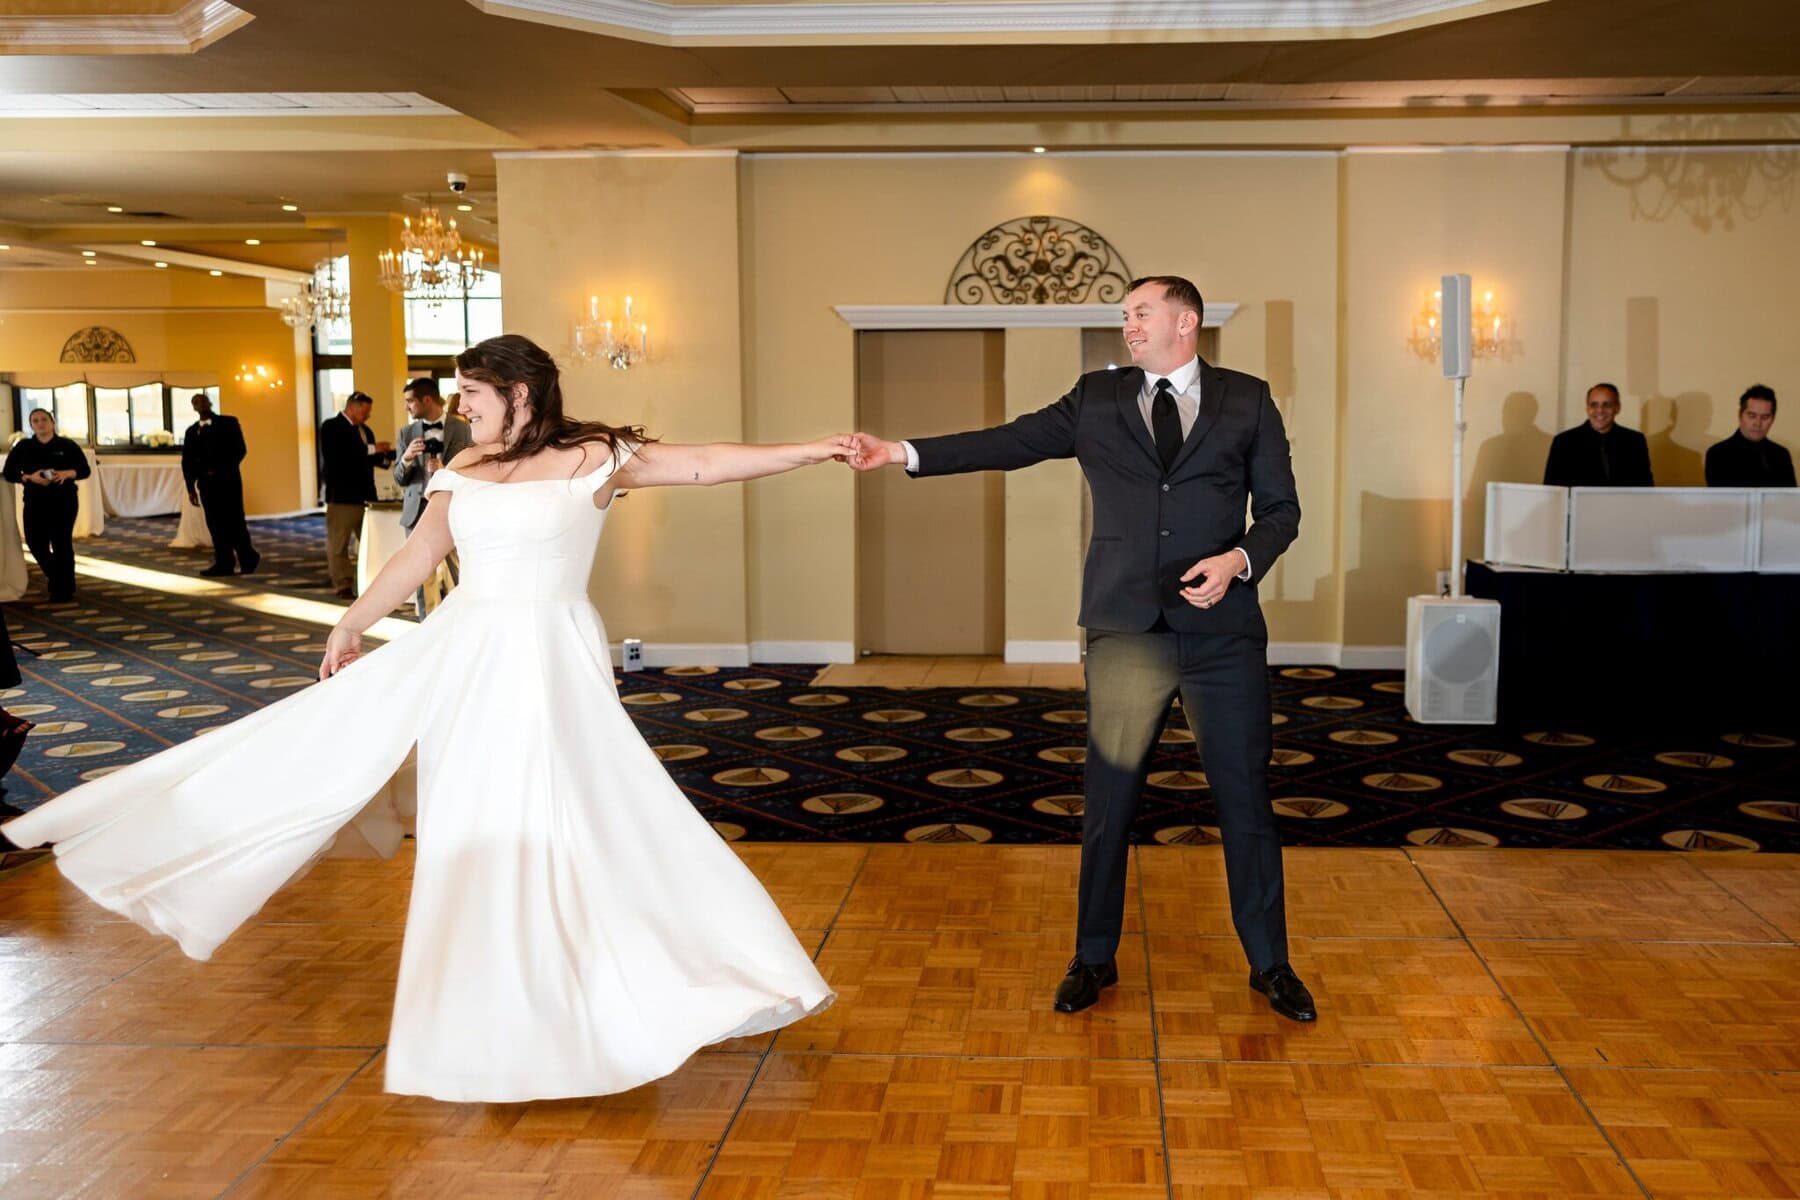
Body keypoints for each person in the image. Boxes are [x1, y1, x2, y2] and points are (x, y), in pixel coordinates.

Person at [3, 333, 841, 1103]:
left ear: (518, 390)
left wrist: (815, 448)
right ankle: (494, 1020)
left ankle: (638, 986)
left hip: (551, 654)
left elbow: (701, 465)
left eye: (472, 391)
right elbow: (418, 554)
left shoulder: (596, 455)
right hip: (465, 650)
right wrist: (351, 621)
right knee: (467, 821)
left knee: (590, 816)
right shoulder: (463, 463)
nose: (460, 404)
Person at [848, 275, 1313, 1023]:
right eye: (1125, 316)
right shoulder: (1096, 400)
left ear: (1184, 322)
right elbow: (1008, 441)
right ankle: (1093, 957)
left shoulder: (1248, 399)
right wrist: (900, 452)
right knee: (1109, 803)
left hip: (1222, 639)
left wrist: (1239, 561)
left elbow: (1282, 510)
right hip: (1126, 632)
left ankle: (1271, 963)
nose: (1127, 326)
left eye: (1140, 313)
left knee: (1246, 802)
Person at [394, 378, 473, 615]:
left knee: (463, 571)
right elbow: (399, 479)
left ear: (426, 399)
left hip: (454, 510)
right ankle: (426, 626)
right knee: (421, 575)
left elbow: (475, 470)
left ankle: (465, 621)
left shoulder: (463, 429)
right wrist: (406, 458)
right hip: (417, 513)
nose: (407, 407)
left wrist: (446, 470)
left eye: (410, 401)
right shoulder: (406, 433)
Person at [2, 408, 91, 602]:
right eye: (35, 420)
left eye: (44, 419)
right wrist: (28, 477)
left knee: (61, 544)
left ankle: (64, 589)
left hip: (64, 501)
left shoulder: (67, 445)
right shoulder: (24, 446)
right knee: (35, 542)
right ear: (31, 425)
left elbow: (85, 470)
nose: (40, 423)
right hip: (35, 501)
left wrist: (67, 473)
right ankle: (58, 578)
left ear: (52, 422)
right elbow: (9, 472)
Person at [318, 391, 389, 599]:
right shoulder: (332, 427)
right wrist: (375, 449)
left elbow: (368, 458)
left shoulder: (365, 430)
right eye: (365, 412)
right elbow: (342, 454)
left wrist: (386, 458)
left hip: (366, 495)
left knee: (371, 542)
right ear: (353, 407)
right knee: (339, 543)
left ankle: (372, 580)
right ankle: (343, 584)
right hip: (342, 497)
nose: (368, 416)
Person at [180, 393, 260, 576]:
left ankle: (248, 556)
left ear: (210, 403)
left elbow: (240, 450)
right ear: (193, 408)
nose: (201, 405)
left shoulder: (229, 423)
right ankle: (224, 562)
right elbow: (187, 461)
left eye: (203, 401)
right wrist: (190, 487)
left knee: (235, 521)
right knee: (215, 524)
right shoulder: (191, 432)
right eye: (196, 403)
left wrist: (220, 469)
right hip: (207, 485)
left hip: (228, 481)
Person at [1543, 382, 1654, 487]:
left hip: (1624, 507)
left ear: (1617, 408)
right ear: (1587, 408)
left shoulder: (1635, 441)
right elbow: (1553, 491)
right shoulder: (1563, 442)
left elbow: (1645, 489)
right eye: (1594, 405)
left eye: (1607, 405)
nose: (1600, 410)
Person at [1705, 385, 1795, 487]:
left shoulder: (1781, 455)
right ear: (1740, 415)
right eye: (1752, 416)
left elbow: (1790, 499)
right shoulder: (1717, 454)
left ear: (1773, 419)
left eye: (1765, 417)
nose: (1758, 423)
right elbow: (1721, 500)